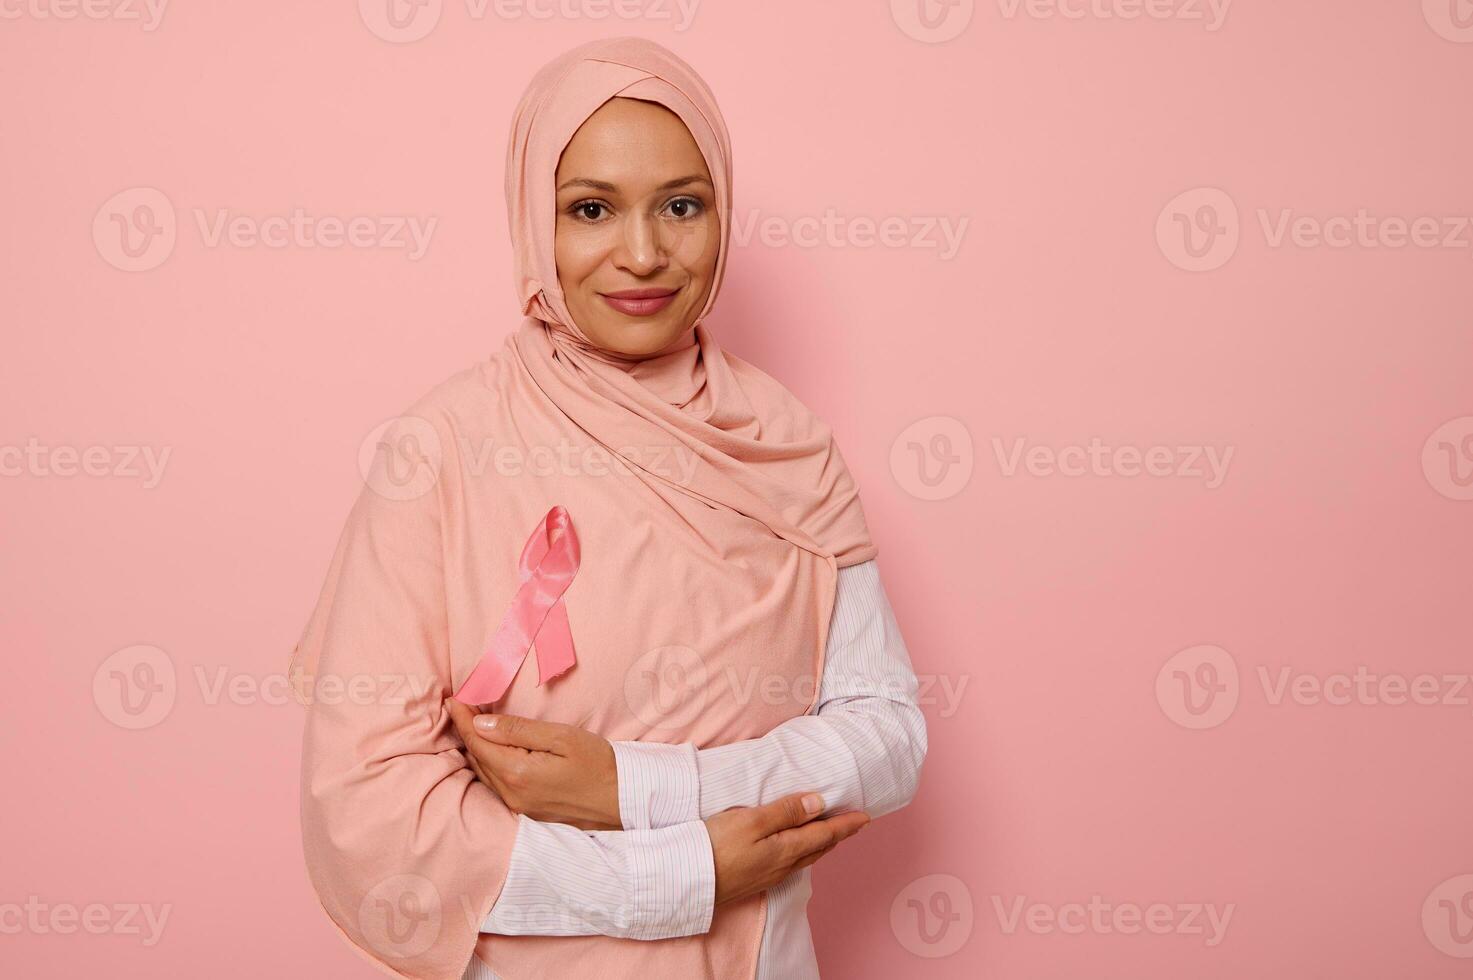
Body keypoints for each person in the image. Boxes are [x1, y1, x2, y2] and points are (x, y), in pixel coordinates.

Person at [289, 36, 927, 980]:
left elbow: (886, 734)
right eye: (590, 209)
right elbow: (368, 813)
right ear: (532, 221)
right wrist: (680, 874)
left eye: (682, 205)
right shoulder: (442, 452)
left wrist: (639, 788)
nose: (643, 254)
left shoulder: (786, 444)